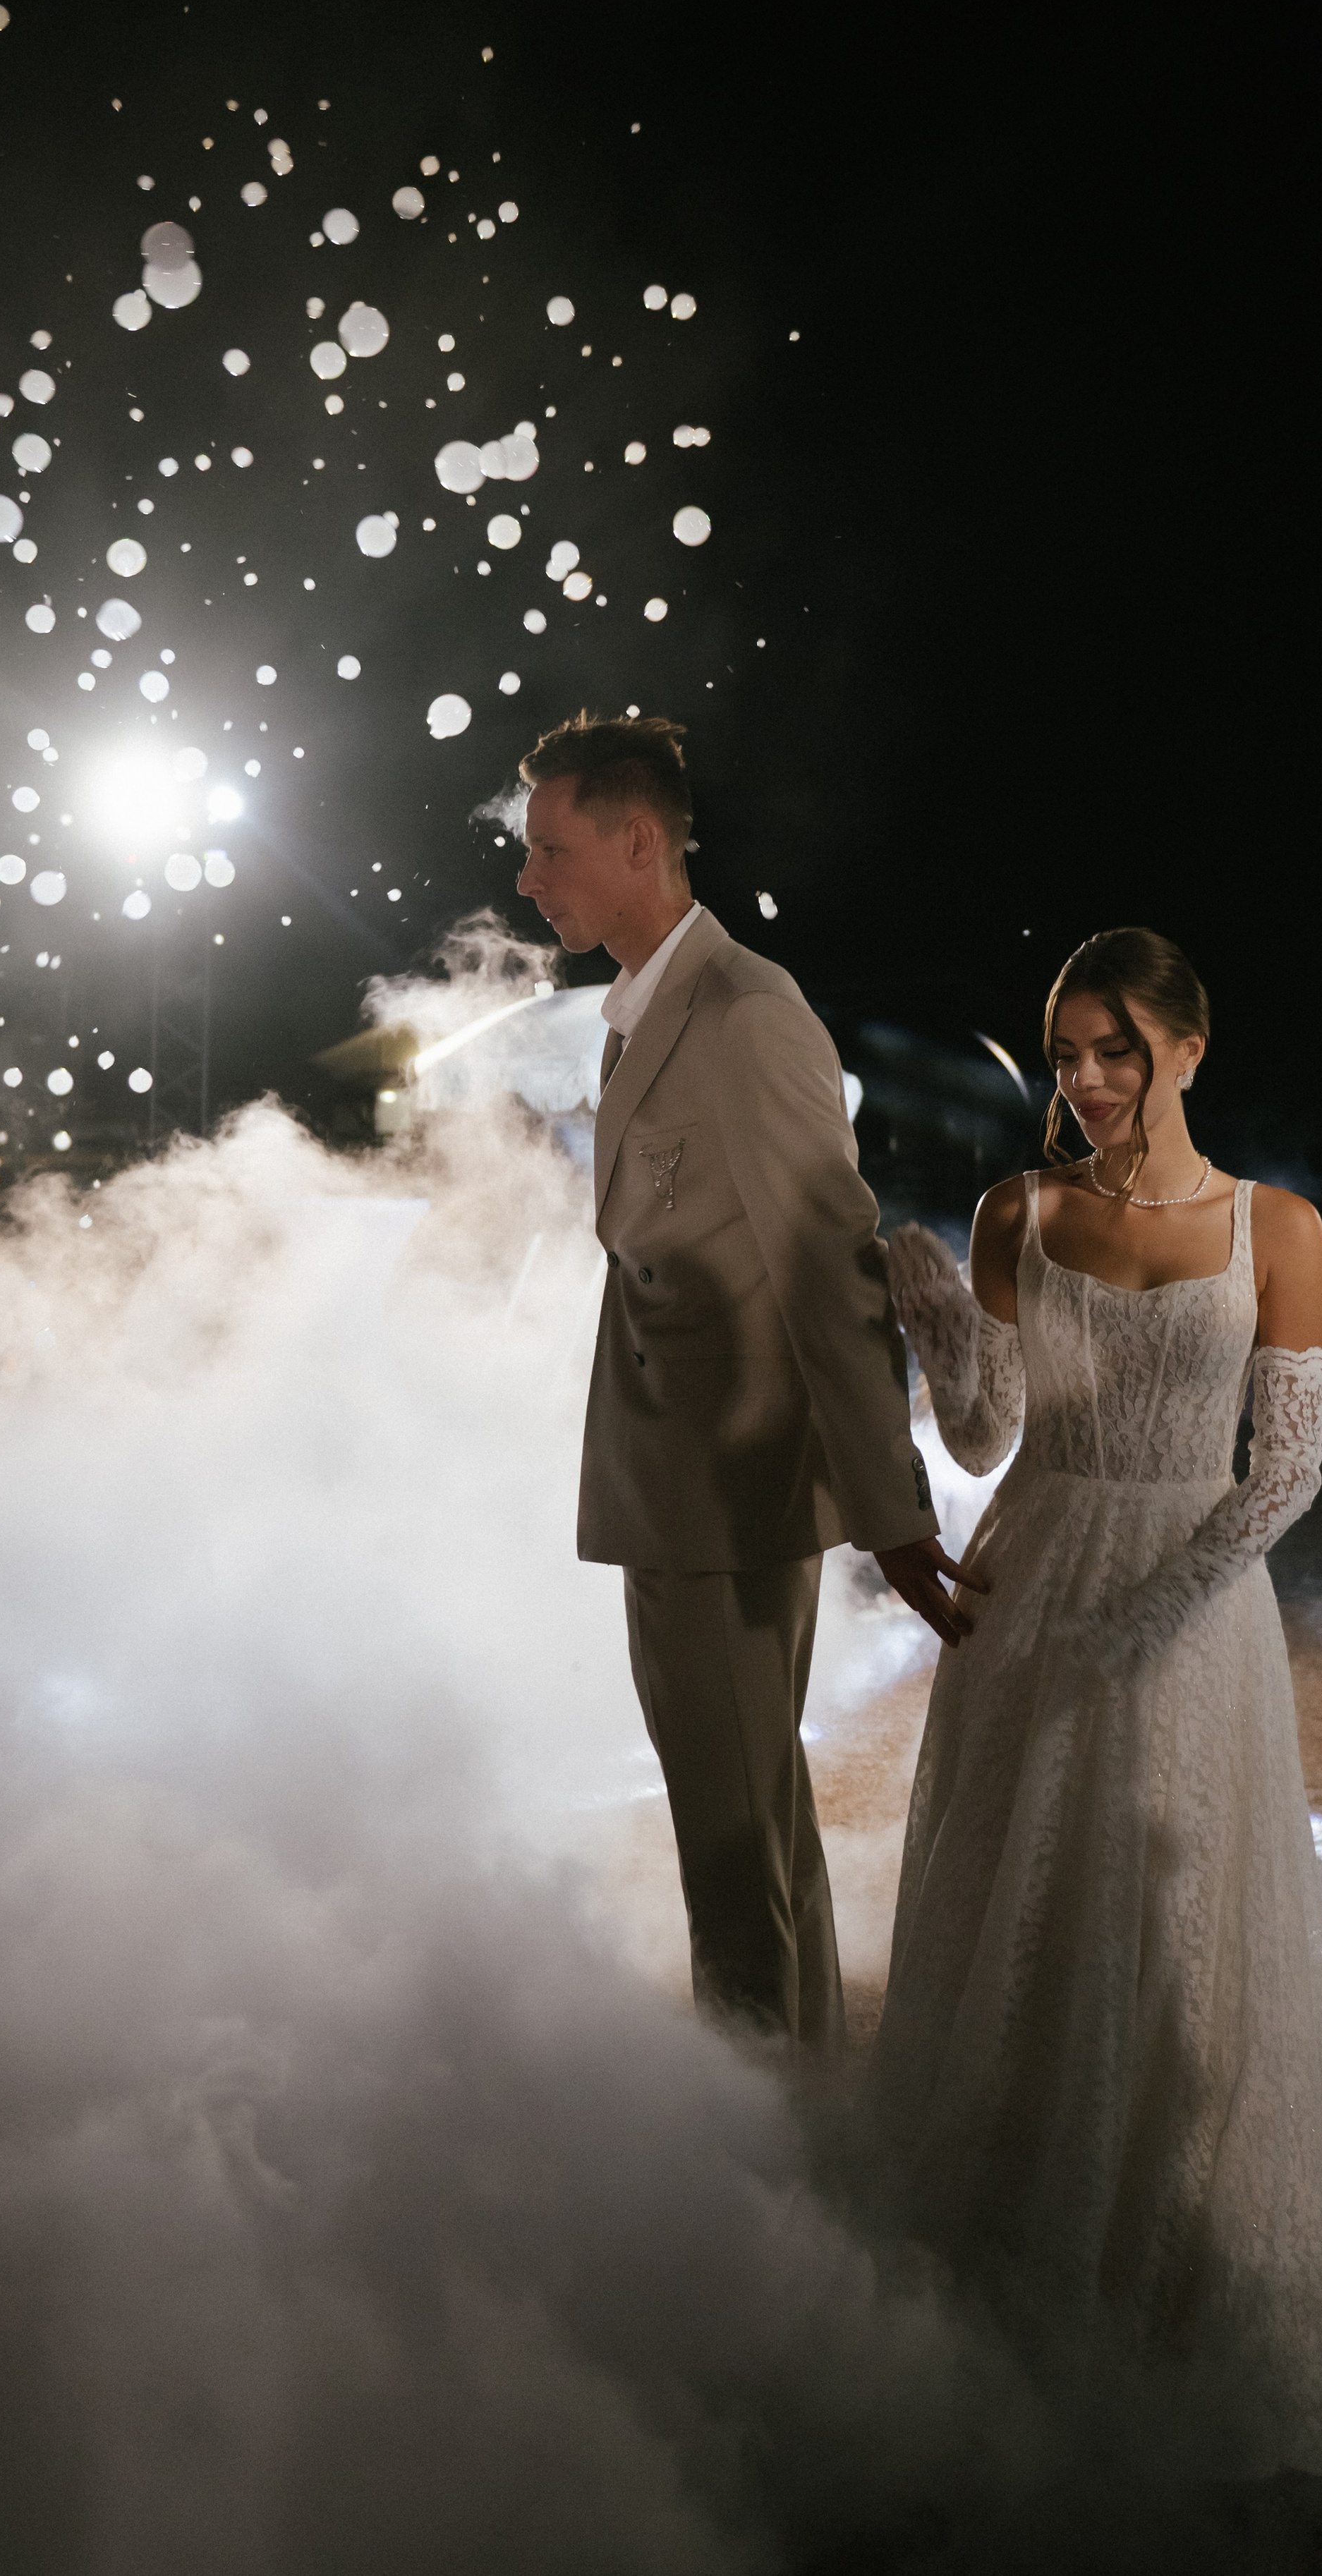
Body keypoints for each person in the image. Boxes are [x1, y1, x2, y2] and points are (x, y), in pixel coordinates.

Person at [873, 927, 1322, 2476]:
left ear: (1187, 1047)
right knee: (1016, 1900)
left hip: (1190, 1603)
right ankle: (1001, 2270)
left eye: (1114, 1047)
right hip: (1030, 1575)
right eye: (1065, 1051)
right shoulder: (1015, 1206)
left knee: (1179, 1911)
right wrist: (928, 1300)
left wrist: (1148, 1616)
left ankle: (1186, 2272)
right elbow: (980, 1435)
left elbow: (1282, 1475)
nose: (1085, 1080)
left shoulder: (1274, 1226)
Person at [516, 712, 981, 2050]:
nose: (531, 878)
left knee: (736, 1855)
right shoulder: (639, 1015)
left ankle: (769, 2163)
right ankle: (799, 2130)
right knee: (748, 1834)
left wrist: (892, 1515)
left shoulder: (746, 1011)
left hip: (727, 1497)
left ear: (638, 839)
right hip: (677, 1493)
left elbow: (831, 1274)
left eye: (553, 849)